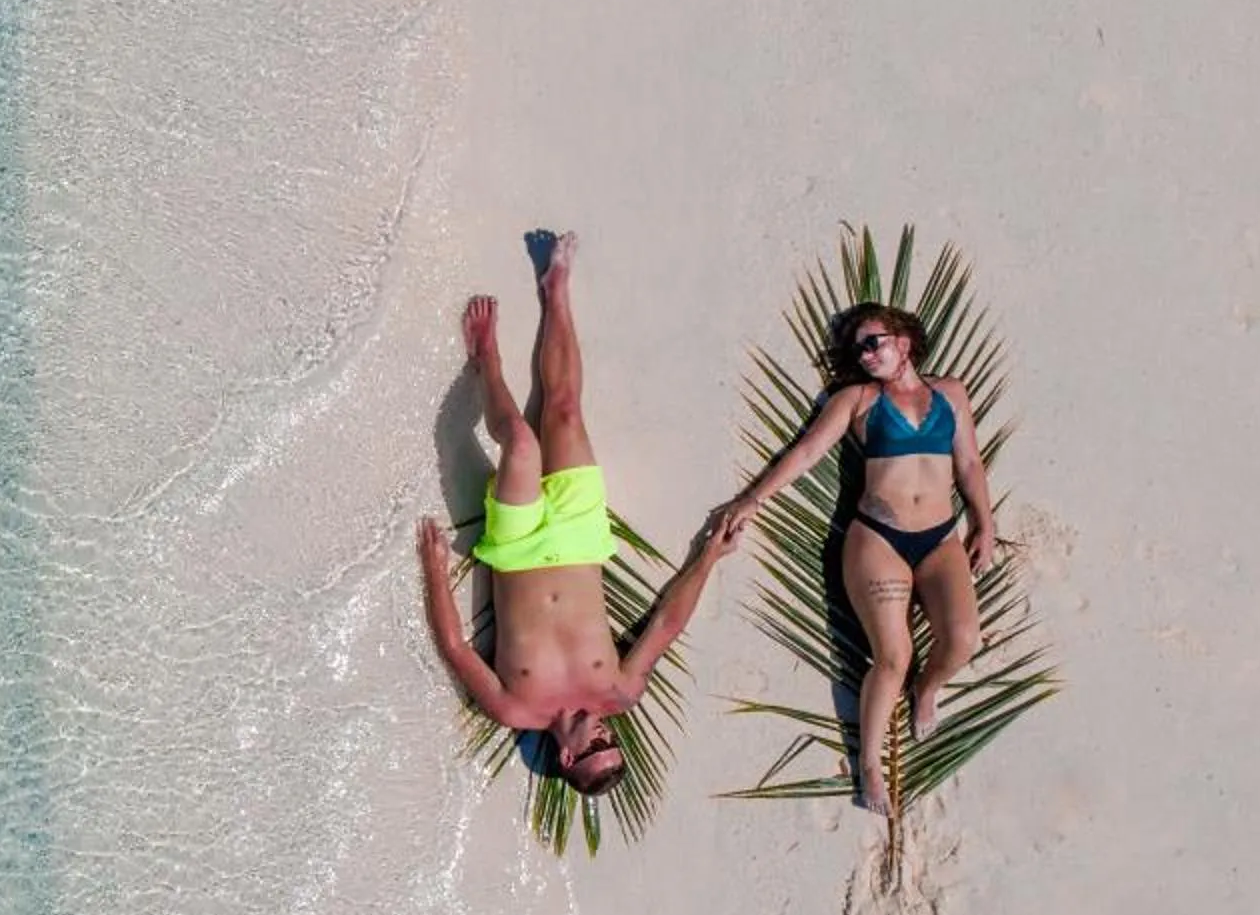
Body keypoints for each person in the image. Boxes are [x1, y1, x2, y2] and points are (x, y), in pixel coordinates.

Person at [416, 234, 739, 795]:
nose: (603, 733)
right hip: (581, 535)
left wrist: (435, 569)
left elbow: (456, 648)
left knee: (520, 441)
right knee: (563, 409)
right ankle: (557, 294)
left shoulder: (515, 709)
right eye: (612, 741)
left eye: (594, 747)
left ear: (567, 757)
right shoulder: (619, 692)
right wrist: (710, 554)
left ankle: (487, 360)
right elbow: (666, 623)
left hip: (515, 549)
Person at [708, 302, 994, 813]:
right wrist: (753, 497)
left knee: (964, 640)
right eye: (858, 349)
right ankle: (869, 766)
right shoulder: (858, 399)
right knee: (892, 656)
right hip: (878, 540)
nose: (865, 355)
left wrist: (985, 525)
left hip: (940, 539)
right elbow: (805, 454)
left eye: (873, 342)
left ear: (904, 340)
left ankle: (927, 689)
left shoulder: (951, 393)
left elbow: (969, 462)